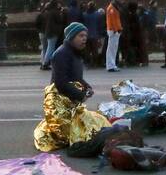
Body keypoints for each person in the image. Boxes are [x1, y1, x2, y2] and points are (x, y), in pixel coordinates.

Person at [33, 22, 110, 152]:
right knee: (81, 134)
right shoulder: (61, 54)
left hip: (71, 100)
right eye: (81, 35)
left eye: (85, 35)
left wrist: (87, 87)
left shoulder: (75, 54)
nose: (84, 38)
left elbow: (76, 77)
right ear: (71, 37)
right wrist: (80, 95)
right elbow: (60, 83)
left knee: (98, 124)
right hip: (59, 102)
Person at [105, 0, 123, 72]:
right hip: (113, 30)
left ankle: (112, 65)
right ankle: (110, 65)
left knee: (113, 49)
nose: (119, 0)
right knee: (111, 49)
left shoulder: (114, 7)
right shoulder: (111, 8)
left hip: (115, 30)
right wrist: (117, 30)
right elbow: (113, 21)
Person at [83, 1, 104, 68]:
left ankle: (88, 63)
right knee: (95, 50)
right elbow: (100, 26)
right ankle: (95, 63)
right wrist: (100, 35)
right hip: (95, 35)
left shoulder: (84, 15)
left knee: (87, 50)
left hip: (86, 35)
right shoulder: (98, 15)